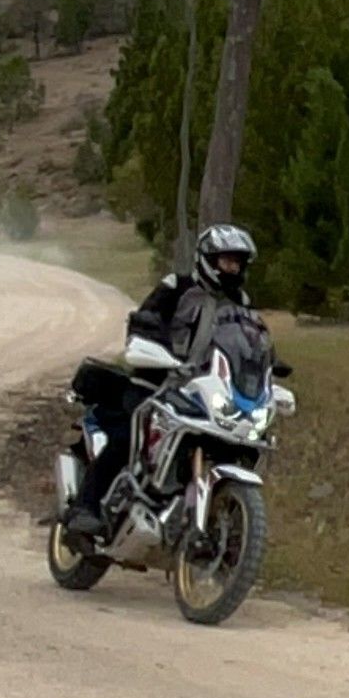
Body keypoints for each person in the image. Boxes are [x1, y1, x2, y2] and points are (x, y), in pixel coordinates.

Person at [63, 224, 259, 536]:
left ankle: (222, 531)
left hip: (204, 391)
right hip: (156, 383)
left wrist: (267, 364)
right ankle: (84, 508)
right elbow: (144, 319)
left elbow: (249, 342)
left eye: (237, 262)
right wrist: (151, 344)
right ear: (209, 259)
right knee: (130, 435)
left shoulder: (241, 304)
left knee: (235, 443)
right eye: (227, 261)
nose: (232, 268)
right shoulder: (178, 286)